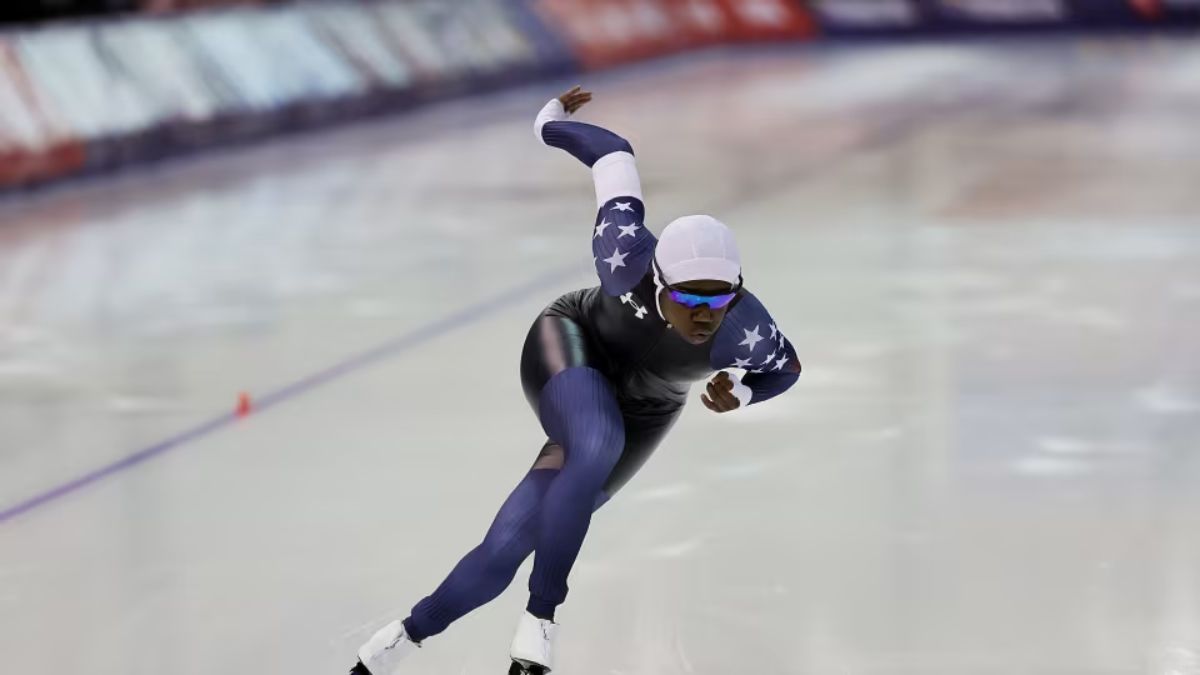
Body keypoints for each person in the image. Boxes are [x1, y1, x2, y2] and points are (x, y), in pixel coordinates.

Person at [351, 86, 801, 675]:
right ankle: (541, 623)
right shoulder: (625, 254)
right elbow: (612, 156)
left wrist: (742, 390)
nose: (703, 314)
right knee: (595, 440)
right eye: (688, 296)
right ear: (657, 280)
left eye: (719, 300)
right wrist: (549, 120)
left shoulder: (746, 330)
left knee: (506, 548)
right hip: (571, 343)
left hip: (646, 411)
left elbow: (786, 368)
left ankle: (394, 643)